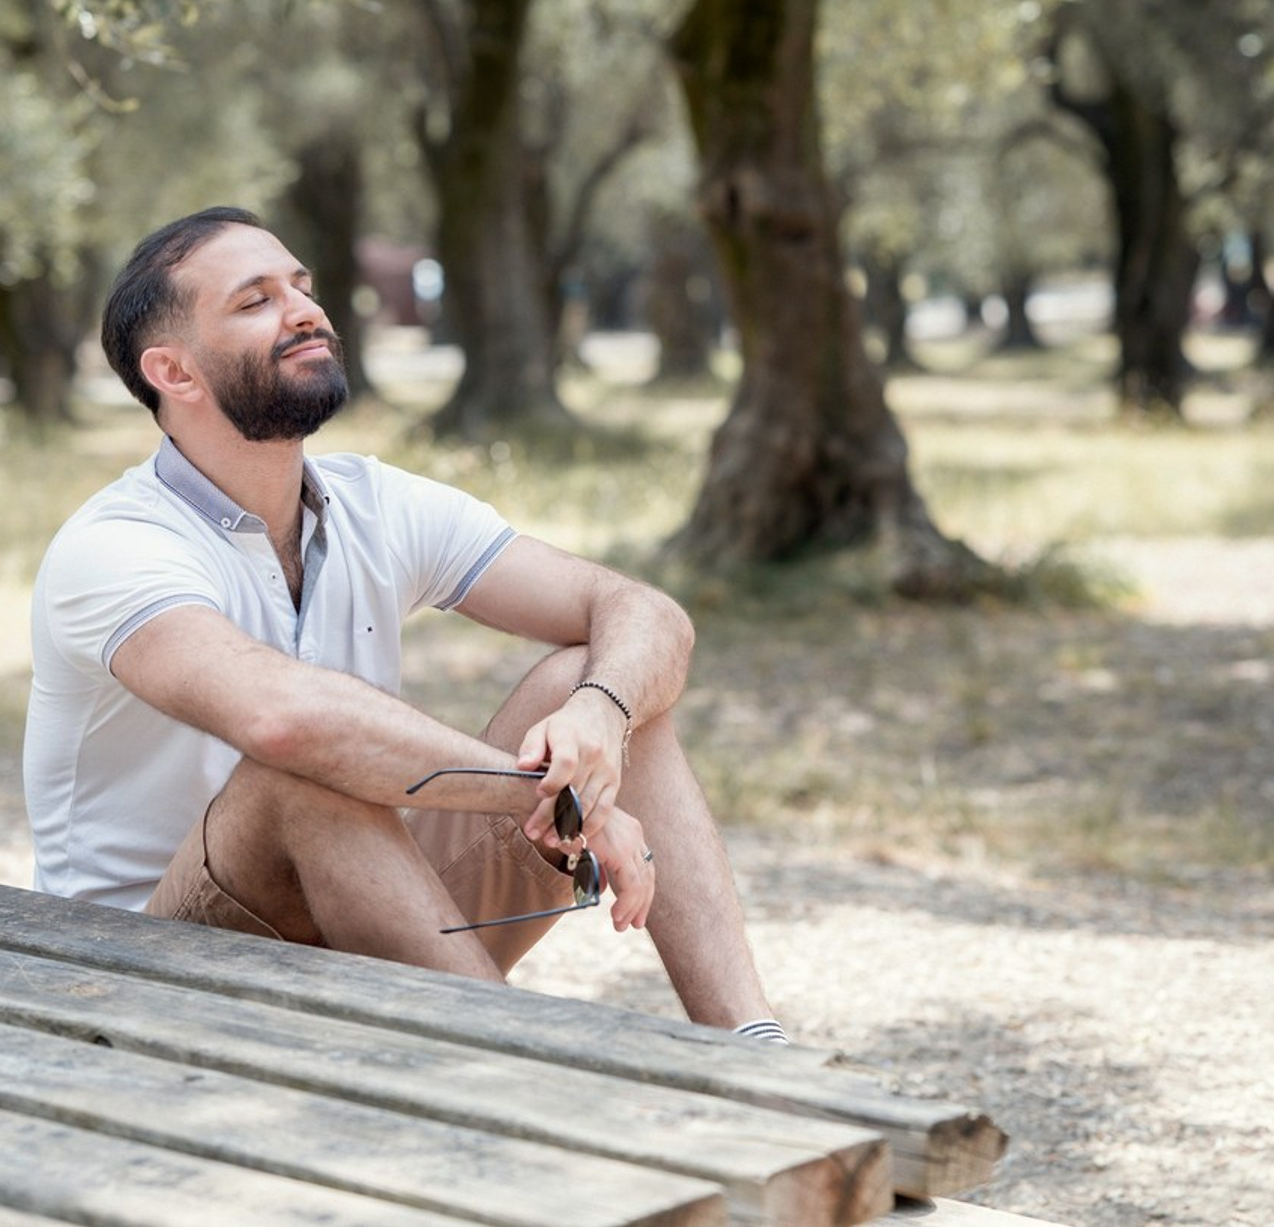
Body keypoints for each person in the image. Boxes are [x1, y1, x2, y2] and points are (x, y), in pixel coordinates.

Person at [22, 207, 788, 1044]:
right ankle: (527, 1085)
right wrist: (565, 799)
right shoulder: (115, 546)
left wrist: (601, 716)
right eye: (255, 301)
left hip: (361, 922)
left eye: (302, 288)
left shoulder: (373, 503)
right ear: (174, 372)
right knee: (302, 774)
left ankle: (759, 1057)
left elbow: (644, 613)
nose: (306, 310)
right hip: (145, 980)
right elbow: (286, 723)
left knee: (590, 678)